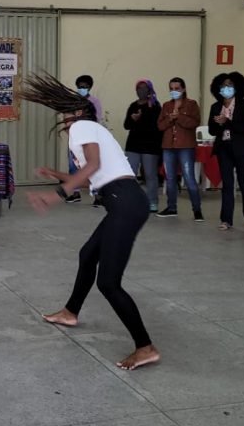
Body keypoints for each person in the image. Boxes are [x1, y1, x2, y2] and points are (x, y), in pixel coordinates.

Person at [18, 72, 159, 370]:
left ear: (78, 111)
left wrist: (55, 195)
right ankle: (71, 311)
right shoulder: (90, 129)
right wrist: (56, 175)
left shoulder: (82, 126)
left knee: (108, 282)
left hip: (124, 202)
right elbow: (90, 178)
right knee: (88, 255)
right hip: (125, 199)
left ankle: (144, 346)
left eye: (65, 110)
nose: (63, 116)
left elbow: (92, 167)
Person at [207, 72, 244, 230]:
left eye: (229, 85)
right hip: (224, 149)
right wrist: (218, 124)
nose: (226, 88)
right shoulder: (215, 106)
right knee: (227, 184)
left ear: (237, 87)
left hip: (242, 149)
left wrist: (227, 121)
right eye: (223, 86)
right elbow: (211, 130)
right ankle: (226, 220)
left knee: (243, 182)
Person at [157, 77, 204, 221]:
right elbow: (160, 126)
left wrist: (179, 118)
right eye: (171, 89)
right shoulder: (166, 106)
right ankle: (172, 208)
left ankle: (197, 210)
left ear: (183, 89)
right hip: (168, 146)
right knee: (170, 178)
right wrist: (170, 119)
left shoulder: (191, 104)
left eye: (177, 88)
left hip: (185, 146)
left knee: (189, 178)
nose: (174, 91)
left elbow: (194, 123)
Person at [123, 79, 163, 212]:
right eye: (139, 88)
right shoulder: (133, 105)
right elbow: (126, 125)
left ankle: (153, 202)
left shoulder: (155, 106)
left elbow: (158, 127)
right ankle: (132, 200)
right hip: (133, 145)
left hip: (150, 146)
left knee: (150, 175)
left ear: (149, 90)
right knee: (130, 174)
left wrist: (141, 119)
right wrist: (133, 119)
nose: (141, 91)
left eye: (144, 88)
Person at [65, 75, 105, 204]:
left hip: (89, 138)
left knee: (92, 167)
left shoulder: (94, 101)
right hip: (75, 138)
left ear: (89, 87)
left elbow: (97, 119)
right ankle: (75, 193)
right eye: (80, 86)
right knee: (73, 166)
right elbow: (68, 117)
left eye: (85, 87)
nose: (82, 89)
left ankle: (97, 195)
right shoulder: (73, 101)